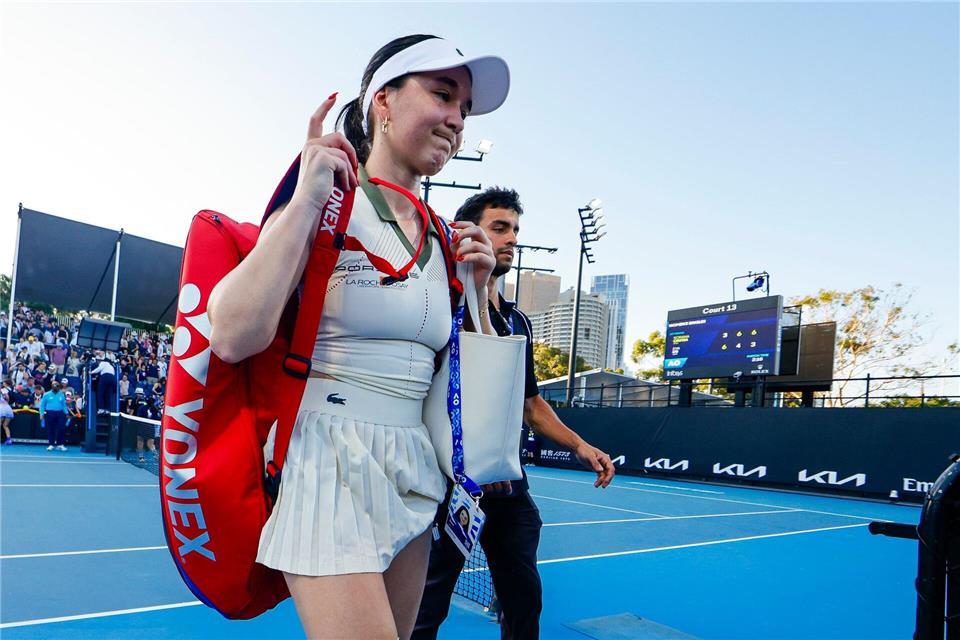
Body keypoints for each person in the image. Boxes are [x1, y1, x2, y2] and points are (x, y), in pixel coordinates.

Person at [207, 35, 509, 640]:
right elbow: (232, 335)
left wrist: (476, 294)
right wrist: (307, 198)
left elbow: (464, 389)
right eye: (443, 94)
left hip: (415, 463)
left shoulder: (446, 239)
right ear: (383, 102)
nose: (456, 119)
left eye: (465, 110)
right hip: (326, 456)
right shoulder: (326, 203)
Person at [414, 188, 616, 640]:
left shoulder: (518, 322)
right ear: (466, 233)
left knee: (523, 597)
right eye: (499, 228)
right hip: (449, 485)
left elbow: (529, 404)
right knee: (427, 603)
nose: (510, 240)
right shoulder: (438, 305)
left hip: (507, 487)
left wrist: (581, 446)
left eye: (515, 231)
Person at [40, 379, 68, 452]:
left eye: (57, 386)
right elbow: (42, 405)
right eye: (54, 386)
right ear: (52, 387)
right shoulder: (46, 394)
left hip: (60, 413)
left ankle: (60, 444)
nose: (56, 387)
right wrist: (41, 414)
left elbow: (64, 405)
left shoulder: (61, 394)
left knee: (61, 428)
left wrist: (67, 413)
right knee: (51, 429)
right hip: (50, 413)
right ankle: (51, 444)